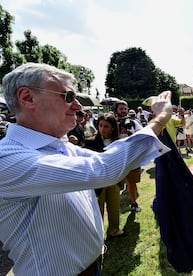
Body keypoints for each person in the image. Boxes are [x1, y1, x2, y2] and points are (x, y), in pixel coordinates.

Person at [0, 63, 172, 275]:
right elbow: (104, 168)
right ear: (27, 98)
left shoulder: (58, 146)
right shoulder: (6, 158)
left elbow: (110, 162)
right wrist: (160, 119)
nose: (78, 107)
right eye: (69, 96)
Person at [85, 113, 126, 238]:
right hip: (98, 182)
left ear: (113, 127)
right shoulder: (90, 142)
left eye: (106, 126)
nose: (102, 129)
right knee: (98, 210)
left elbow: (122, 162)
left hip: (114, 180)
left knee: (114, 207)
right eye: (100, 125)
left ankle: (114, 230)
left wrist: (121, 179)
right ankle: (98, 235)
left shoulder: (118, 142)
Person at [114, 101, 144, 212]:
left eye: (125, 108)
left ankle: (133, 203)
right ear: (116, 110)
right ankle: (114, 205)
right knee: (115, 185)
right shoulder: (112, 123)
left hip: (131, 158)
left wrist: (128, 133)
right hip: (117, 158)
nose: (123, 111)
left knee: (132, 182)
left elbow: (141, 136)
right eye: (121, 108)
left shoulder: (134, 123)